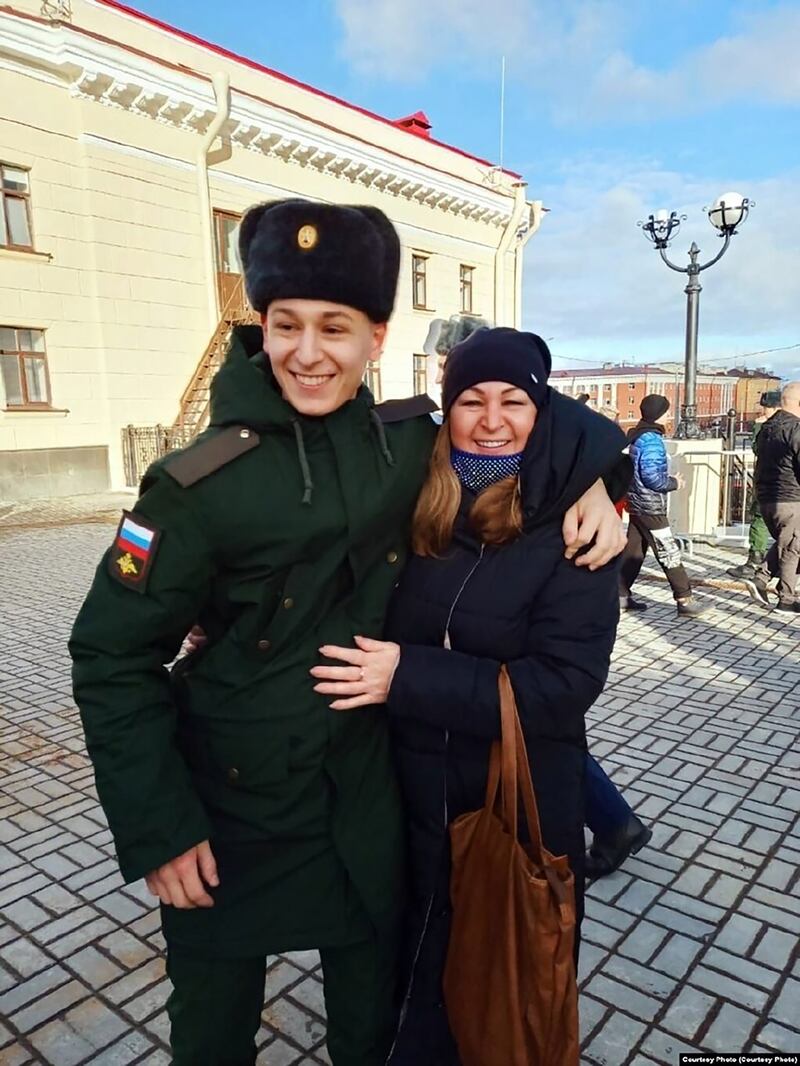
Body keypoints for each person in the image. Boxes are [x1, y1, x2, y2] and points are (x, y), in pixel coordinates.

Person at [69, 200, 626, 1066]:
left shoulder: (402, 450)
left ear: (376, 337)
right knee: (211, 1034)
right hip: (229, 807)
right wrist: (158, 825)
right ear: (260, 328)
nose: (308, 352)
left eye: (335, 327)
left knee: (374, 1030)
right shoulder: (193, 485)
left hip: (364, 806)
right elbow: (109, 655)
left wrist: (601, 480)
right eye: (285, 325)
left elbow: (532, 426)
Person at [312, 327, 625, 1064]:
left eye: (514, 401)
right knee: (415, 974)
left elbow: (565, 685)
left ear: (541, 412)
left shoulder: (573, 532)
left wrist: (406, 677)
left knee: (499, 990)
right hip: (407, 790)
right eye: (471, 400)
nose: (491, 421)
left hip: (513, 805)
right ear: (445, 409)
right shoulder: (418, 502)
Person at [619, 394, 705, 617]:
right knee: (668, 551)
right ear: (659, 414)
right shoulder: (652, 441)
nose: (668, 416)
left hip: (637, 501)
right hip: (650, 505)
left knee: (633, 551)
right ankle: (685, 599)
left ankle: (620, 595)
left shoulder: (637, 436)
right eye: (666, 412)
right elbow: (652, 477)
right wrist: (674, 482)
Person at [744, 381, 800, 614]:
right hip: (790, 497)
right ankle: (786, 599)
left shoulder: (767, 427)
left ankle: (760, 579)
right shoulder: (796, 429)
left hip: (766, 497)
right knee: (793, 547)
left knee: (787, 542)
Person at [727, 390, 780, 580]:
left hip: (770, 483)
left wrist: (758, 428)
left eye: (766, 407)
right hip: (781, 484)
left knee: (759, 518)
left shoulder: (772, 427)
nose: (763, 411)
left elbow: (759, 449)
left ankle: (756, 561)